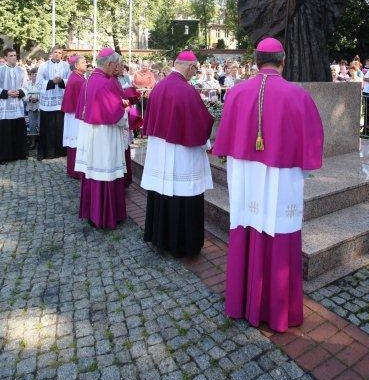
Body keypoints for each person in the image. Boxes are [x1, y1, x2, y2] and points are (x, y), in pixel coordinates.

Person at [213, 37, 323, 332]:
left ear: (256, 61)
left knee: (247, 226)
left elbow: (223, 137)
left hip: (246, 176)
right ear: (283, 60)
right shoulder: (297, 95)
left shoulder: (236, 92)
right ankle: (276, 310)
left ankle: (242, 300)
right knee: (278, 230)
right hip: (280, 176)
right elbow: (312, 141)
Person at [141, 50, 214, 257]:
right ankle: (183, 244)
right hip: (182, 153)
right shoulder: (186, 90)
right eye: (195, 69)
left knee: (162, 193)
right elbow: (202, 123)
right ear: (190, 67)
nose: (194, 73)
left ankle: (160, 238)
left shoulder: (159, 86)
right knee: (183, 194)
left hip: (159, 150)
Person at [75, 48, 128, 229]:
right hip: (104, 134)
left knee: (94, 174)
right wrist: (128, 112)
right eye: (117, 65)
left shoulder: (92, 79)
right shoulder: (103, 83)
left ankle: (94, 213)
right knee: (104, 173)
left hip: (93, 132)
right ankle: (105, 215)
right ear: (109, 63)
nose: (118, 68)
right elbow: (116, 115)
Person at [36, 46, 70, 160]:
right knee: (47, 127)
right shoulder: (43, 66)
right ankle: (47, 152)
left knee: (60, 127)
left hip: (61, 101)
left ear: (62, 54)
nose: (57, 54)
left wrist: (61, 81)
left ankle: (60, 151)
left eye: (60, 52)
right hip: (48, 103)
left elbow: (70, 81)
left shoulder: (66, 66)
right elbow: (39, 83)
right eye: (55, 52)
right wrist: (51, 82)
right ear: (51, 53)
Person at [0, 48, 28, 164]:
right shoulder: (0, 70)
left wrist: (19, 92)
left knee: (18, 129)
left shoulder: (22, 70)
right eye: (11, 55)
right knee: (5, 132)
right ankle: (4, 156)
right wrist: (6, 92)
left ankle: (19, 153)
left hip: (17, 106)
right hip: (4, 106)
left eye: (15, 55)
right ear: (5, 57)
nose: (14, 57)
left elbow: (25, 86)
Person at [61, 55, 87, 179]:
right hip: (76, 116)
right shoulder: (78, 80)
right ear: (76, 65)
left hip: (73, 114)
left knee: (74, 142)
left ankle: (72, 169)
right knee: (77, 141)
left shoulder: (77, 77)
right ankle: (76, 171)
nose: (86, 63)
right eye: (84, 62)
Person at [26, 67, 40, 137]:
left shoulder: (41, 83)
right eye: (33, 74)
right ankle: (32, 141)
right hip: (30, 106)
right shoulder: (27, 84)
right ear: (30, 75)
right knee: (32, 125)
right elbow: (24, 94)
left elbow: (44, 94)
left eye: (36, 74)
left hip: (39, 106)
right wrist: (30, 98)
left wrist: (38, 98)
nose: (34, 76)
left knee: (41, 124)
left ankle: (42, 141)